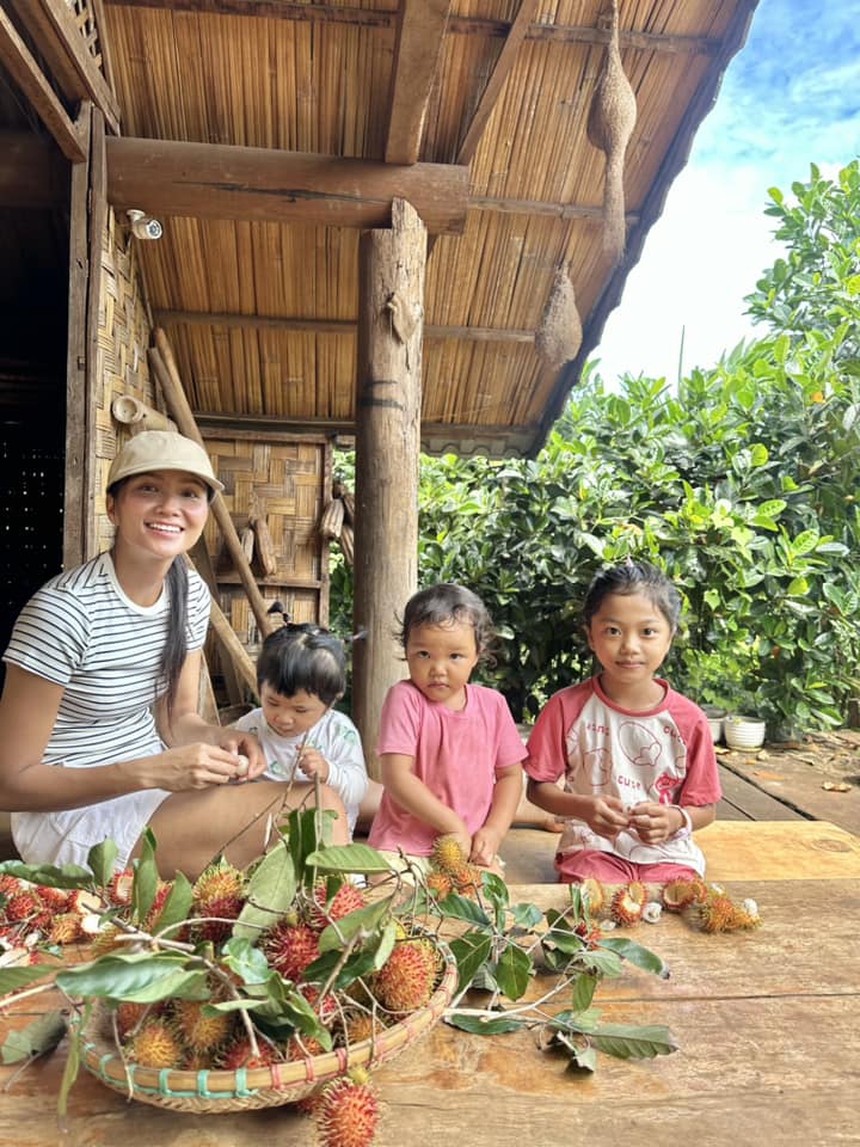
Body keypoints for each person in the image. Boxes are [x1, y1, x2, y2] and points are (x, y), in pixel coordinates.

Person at [0, 430, 348, 880]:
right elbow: (9, 784)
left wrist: (220, 738)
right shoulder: (64, 612)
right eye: (149, 489)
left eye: (189, 494)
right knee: (312, 816)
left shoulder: (189, 593)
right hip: (73, 815)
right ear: (113, 506)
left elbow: (177, 719)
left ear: (203, 512)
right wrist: (149, 773)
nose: (171, 507)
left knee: (319, 807)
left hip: (154, 791)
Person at [524, 560, 721, 884]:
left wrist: (673, 819)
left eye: (647, 632)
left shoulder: (690, 721)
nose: (630, 647)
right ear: (591, 636)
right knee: (590, 902)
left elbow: (705, 809)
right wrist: (584, 808)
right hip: (592, 848)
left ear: (669, 637)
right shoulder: (566, 708)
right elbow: (538, 789)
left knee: (680, 904)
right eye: (613, 631)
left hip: (668, 854)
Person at [368, 584, 526, 873]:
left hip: (468, 850)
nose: (438, 668)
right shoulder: (404, 698)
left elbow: (510, 776)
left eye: (454, 656)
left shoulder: (493, 705)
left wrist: (493, 831)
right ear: (407, 651)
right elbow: (395, 776)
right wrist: (452, 825)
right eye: (424, 654)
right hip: (403, 847)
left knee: (488, 903)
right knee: (394, 901)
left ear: (477, 654)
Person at [232, 622, 371, 838]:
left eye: (300, 709)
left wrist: (328, 772)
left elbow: (358, 790)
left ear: (330, 703)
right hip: (261, 834)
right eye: (272, 702)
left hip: (324, 837)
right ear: (259, 686)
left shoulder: (339, 731)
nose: (284, 718)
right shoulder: (249, 727)